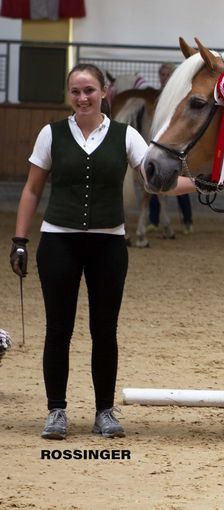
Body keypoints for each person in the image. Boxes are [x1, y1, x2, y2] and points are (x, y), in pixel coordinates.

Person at [8, 64, 196, 440]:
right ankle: (56, 411)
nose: (82, 98)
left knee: (104, 330)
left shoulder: (126, 136)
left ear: (104, 92)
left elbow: (157, 180)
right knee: (58, 330)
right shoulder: (51, 134)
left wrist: (204, 185)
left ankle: (104, 411)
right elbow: (31, 190)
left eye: (89, 90)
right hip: (58, 242)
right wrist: (19, 240)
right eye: (76, 91)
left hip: (108, 243)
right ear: (69, 95)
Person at [148, 62, 194, 235]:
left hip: (176, 148)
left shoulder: (178, 96)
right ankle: (154, 220)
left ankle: (187, 221)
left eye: (167, 75)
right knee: (155, 184)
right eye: (162, 74)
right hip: (161, 146)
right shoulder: (156, 96)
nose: (164, 78)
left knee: (179, 186)